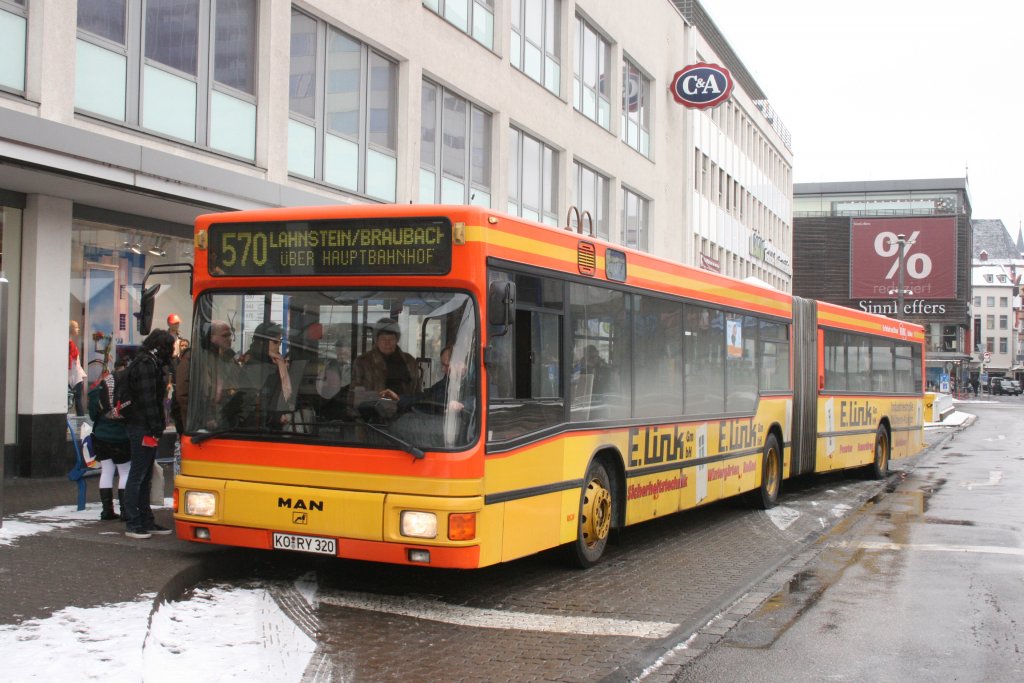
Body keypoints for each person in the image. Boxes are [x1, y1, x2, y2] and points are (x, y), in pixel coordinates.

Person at [122, 328, 176, 539]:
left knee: (143, 475)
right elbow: (148, 400)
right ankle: (134, 522)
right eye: (170, 347)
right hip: (143, 426)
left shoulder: (147, 362)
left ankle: (144, 520)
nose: (171, 352)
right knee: (139, 475)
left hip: (143, 425)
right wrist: (156, 427)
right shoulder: (147, 364)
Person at [87, 357, 132, 521]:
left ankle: (107, 511)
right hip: (120, 436)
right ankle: (126, 511)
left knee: (106, 470)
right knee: (125, 471)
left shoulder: (99, 388)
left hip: (100, 436)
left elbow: (93, 415)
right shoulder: (128, 388)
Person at [351, 319, 421, 410]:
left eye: (391, 338)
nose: (387, 343)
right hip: (373, 417)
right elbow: (356, 396)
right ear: (376, 340)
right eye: (383, 338)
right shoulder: (362, 362)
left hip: (404, 415)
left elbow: (417, 393)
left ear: (397, 340)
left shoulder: (410, 362)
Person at [240, 321, 294, 430]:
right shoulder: (255, 364)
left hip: (271, 422)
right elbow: (255, 399)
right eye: (275, 342)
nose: (278, 345)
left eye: (280, 342)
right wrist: (276, 416)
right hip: (259, 426)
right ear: (261, 342)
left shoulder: (275, 361)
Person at [68, 320, 86, 416]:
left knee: (77, 398)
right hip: (72, 374)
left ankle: (80, 418)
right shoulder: (69, 344)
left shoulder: (71, 344)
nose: (78, 329)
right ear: (70, 329)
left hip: (75, 374)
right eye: (76, 327)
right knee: (76, 398)